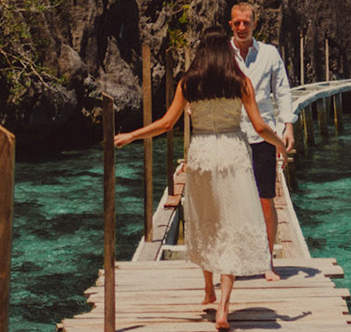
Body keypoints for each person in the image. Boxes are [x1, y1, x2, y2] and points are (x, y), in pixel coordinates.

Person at [117, 30, 289, 330]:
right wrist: (280, 144)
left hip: (201, 155)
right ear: (227, 52)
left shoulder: (189, 83)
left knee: (204, 220)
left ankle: (208, 289)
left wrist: (132, 134)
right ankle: (223, 308)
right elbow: (260, 126)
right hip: (232, 153)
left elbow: (167, 123)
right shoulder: (240, 82)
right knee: (231, 224)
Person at [226, 2, 294, 279]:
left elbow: (283, 91)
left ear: (255, 24)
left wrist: (287, 125)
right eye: (237, 22)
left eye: (247, 22)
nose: (242, 27)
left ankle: (267, 261)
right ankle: (233, 261)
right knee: (230, 201)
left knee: (266, 199)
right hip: (230, 134)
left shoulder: (269, 53)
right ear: (230, 24)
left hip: (262, 135)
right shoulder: (222, 52)